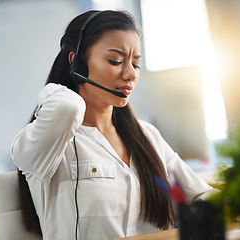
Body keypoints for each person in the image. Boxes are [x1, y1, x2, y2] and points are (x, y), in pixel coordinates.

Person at [11, 9, 214, 240]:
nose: (130, 74)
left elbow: (201, 195)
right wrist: (56, 88)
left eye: (135, 64)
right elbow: (67, 109)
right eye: (115, 61)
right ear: (76, 61)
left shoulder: (146, 135)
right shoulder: (47, 143)